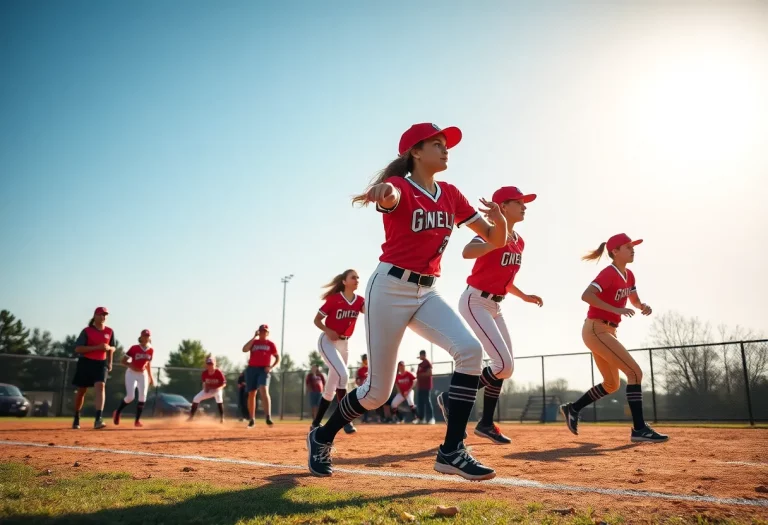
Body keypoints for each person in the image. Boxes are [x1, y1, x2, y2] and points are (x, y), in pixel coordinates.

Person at [307, 122, 508, 481]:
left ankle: (451, 451)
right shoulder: (400, 186)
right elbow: (390, 197)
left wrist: (501, 220)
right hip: (389, 289)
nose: (445, 149)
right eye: (436, 143)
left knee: (471, 352)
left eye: (446, 144)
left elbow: (493, 239)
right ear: (415, 152)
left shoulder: (451, 194)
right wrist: (383, 193)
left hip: (427, 291)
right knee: (376, 394)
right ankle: (322, 436)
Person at [454, 186, 543, 445]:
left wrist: (524, 295)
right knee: (502, 365)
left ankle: (485, 423)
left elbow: (505, 278)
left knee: (505, 367)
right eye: (519, 202)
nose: (524, 206)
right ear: (503, 207)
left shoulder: (519, 240)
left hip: (496, 305)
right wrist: (494, 236)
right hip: (475, 301)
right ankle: (452, 399)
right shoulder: (491, 231)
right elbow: (466, 252)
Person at [560, 233, 668, 443]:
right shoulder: (608, 273)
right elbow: (586, 295)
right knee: (634, 372)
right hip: (596, 330)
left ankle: (573, 408)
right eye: (628, 247)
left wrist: (641, 306)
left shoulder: (629, 275)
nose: (633, 249)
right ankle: (639, 429)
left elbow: (634, 299)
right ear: (615, 252)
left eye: (633, 246)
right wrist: (615, 308)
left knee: (611, 384)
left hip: (607, 331)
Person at [311, 269, 365, 434]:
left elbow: (371, 311)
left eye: (358, 277)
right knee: (344, 375)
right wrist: (328, 330)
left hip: (344, 344)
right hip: (328, 342)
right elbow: (317, 320)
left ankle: (315, 423)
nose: (357, 280)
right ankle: (346, 421)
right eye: (353, 277)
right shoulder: (334, 300)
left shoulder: (360, 301)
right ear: (344, 282)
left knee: (331, 387)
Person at [72, 306, 116, 430]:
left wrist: (110, 358)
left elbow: (113, 347)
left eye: (105, 315)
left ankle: (98, 419)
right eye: (101, 314)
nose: (103, 317)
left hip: (101, 363)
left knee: (100, 386)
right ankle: (76, 416)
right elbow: (78, 349)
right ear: (95, 316)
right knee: (81, 391)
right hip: (86, 362)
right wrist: (97, 347)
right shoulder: (87, 331)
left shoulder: (110, 331)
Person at [113, 329, 155, 428]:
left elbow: (148, 364)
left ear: (150, 338)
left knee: (142, 397)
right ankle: (117, 412)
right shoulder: (134, 348)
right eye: (144, 336)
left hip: (142, 374)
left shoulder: (151, 350)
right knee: (130, 397)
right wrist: (131, 366)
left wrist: (150, 377)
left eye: (148, 336)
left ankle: (137, 421)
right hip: (131, 373)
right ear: (141, 337)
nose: (146, 338)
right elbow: (123, 361)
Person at [242, 324, 279, 428]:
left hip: (264, 369)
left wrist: (271, 367)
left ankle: (268, 417)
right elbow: (244, 349)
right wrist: (254, 337)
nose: (263, 333)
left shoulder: (270, 344)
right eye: (261, 331)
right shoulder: (254, 342)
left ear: (267, 333)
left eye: (265, 331)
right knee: (252, 393)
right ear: (258, 332)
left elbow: (277, 357)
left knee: (263, 390)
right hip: (252, 369)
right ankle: (252, 419)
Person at [188, 356, 226, 423]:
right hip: (209, 389)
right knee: (196, 398)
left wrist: (218, 389)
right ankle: (191, 417)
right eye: (208, 364)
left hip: (218, 389)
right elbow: (204, 383)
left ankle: (222, 418)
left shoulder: (218, 372)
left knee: (219, 398)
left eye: (211, 364)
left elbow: (224, 384)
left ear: (214, 364)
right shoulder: (204, 373)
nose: (210, 366)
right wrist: (205, 388)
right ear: (206, 365)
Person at [416, 350, 435, 424]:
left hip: (426, 386)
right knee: (420, 402)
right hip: (420, 386)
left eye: (421, 355)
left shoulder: (427, 363)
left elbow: (429, 373)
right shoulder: (420, 364)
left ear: (423, 355)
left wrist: (420, 375)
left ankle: (431, 418)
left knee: (427, 401)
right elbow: (417, 375)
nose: (420, 356)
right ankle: (421, 419)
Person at [355, 354, 372, 423]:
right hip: (363, 389)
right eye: (364, 359)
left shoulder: (371, 369)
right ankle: (365, 418)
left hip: (370, 389)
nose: (365, 361)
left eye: (366, 359)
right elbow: (357, 380)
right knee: (363, 403)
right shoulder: (360, 370)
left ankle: (368, 418)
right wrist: (360, 386)